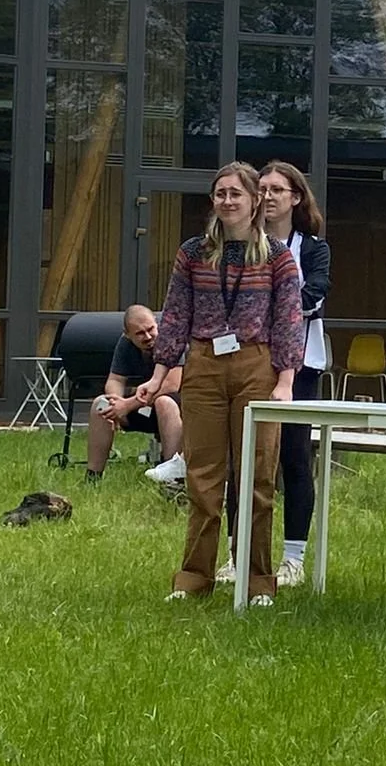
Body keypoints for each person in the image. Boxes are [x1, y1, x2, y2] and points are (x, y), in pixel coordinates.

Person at [142, 162, 304, 605]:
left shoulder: (277, 256)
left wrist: (285, 381)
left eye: (236, 193)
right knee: (203, 477)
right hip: (204, 365)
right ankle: (194, 579)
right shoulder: (193, 252)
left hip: (257, 365)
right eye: (220, 194)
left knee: (257, 477)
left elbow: (289, 320)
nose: (228, 201)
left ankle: (257, 582)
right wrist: (159, 375)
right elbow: (176, 314)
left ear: (255, 200)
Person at [255, 161, 331, 587]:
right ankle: (240, 553)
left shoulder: (313, 248)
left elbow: (314, 296)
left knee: (295, 457)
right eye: (261, 188)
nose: (267, 196)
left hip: (301, 364)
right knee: (246, 459)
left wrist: (265, 308)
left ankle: (294, 558)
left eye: (276, 189)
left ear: (296, 197)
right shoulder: (243, 244)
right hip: (249, 360)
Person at [86, 303, 183, 482]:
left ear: (157, 323)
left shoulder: (171, 339)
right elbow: (115, 379)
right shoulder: (125, 344)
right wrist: (116, 403)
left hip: (176, 406)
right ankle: (93, 476)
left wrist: (127, 405)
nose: (148, 337)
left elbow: (171, 384)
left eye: (150, 329)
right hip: (141, 404)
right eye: (140, 333)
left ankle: (172, 477)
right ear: (127, 335)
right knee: (100, 404)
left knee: (164, 402)